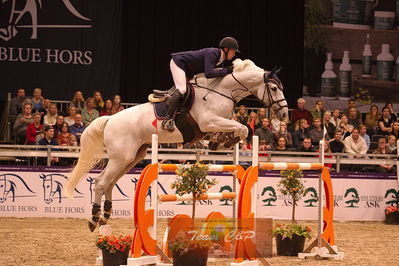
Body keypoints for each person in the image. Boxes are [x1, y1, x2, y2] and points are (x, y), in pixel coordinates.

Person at [161, 37, 239, 132]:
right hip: (179, 62)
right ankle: (167, 120)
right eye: (233, 51)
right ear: (226, 49)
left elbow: (217, 75)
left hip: (189, 70)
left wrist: (228, 71)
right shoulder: (213, 53)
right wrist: (227, 70)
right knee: (182, 89)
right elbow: (209, 74)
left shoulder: (221, 59)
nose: (234, 54)